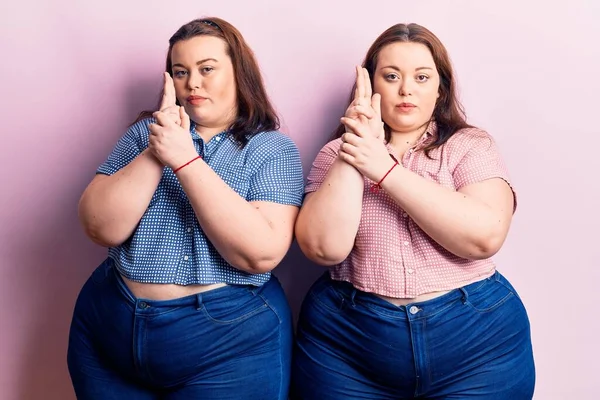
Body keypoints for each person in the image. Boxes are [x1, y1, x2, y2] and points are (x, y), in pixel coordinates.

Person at [291, 23, 535, 399]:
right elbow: (323, 248)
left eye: (422, 77)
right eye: (391, 76)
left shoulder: (471, 146)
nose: (406, 90)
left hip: (478, 345)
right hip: (349, 344)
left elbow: (484, 236)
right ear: (371, 86)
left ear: (440, 89)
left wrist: (384, 169)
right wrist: (358, 148)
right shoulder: (335, 154)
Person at [67, 17, 304, 399]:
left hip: (227, 346)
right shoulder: (145, 135)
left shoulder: (271, 149)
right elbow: (100, 227)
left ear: (238, 72)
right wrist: (156, 150)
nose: (192, 83)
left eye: (207, 69)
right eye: (181, 72)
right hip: (110, 328)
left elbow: (261, 252)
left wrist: (184, 159)